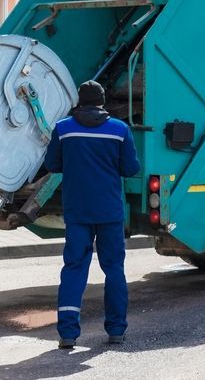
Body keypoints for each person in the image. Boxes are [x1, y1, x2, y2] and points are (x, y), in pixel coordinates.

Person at [44, 80, 140, 349]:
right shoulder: (120, 130)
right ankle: (116, 330)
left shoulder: (63, 129)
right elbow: (131, 168)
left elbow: (52, 163)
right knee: (113, 270)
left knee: (74, 268)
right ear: (102, 101)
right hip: (109, 210)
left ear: (79, 101)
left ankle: (68, 334)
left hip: (77, 211)